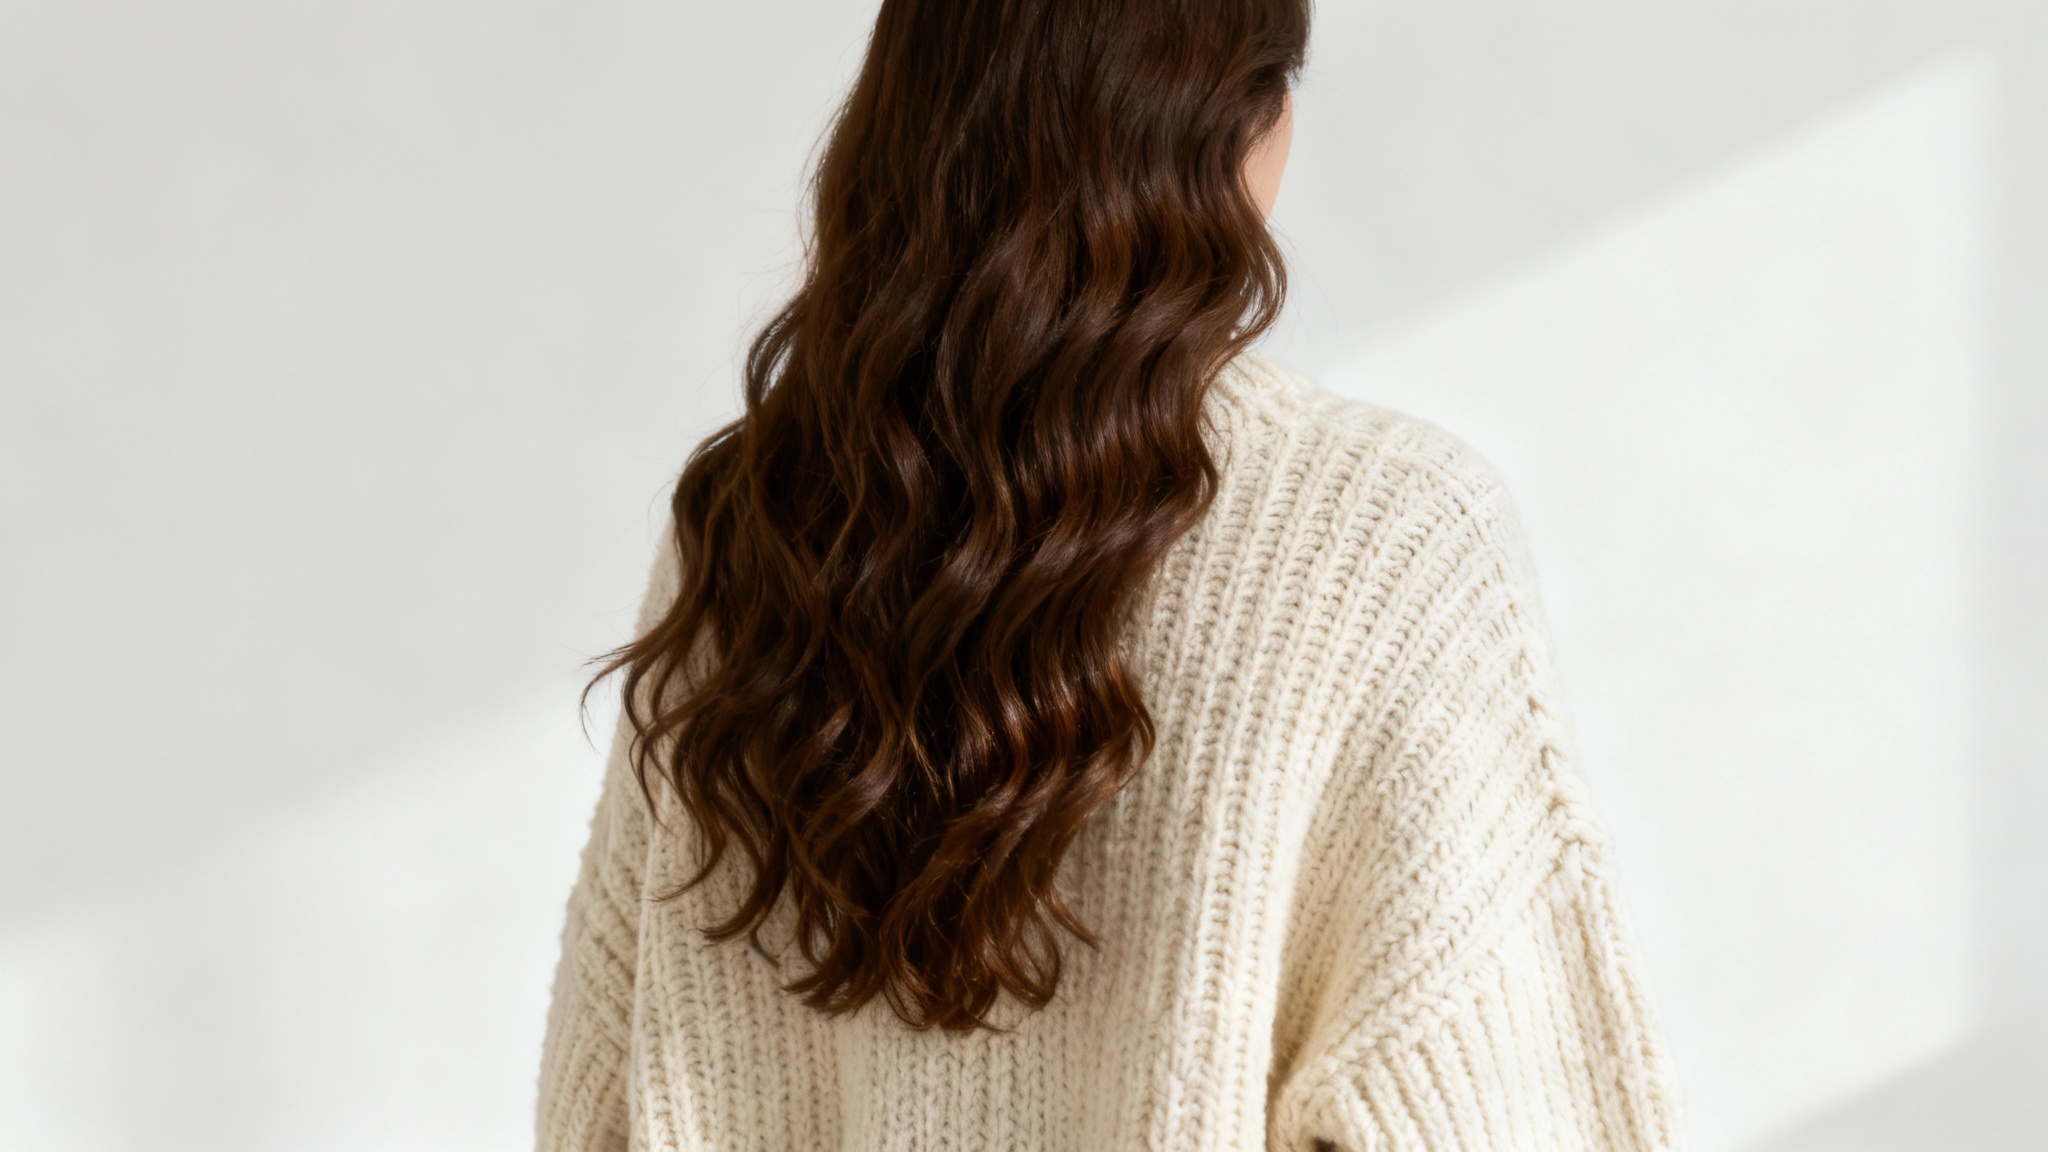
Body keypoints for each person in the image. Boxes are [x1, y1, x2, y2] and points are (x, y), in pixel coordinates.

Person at [537, 1, 1685, 1148]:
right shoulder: (1386, 532)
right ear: (1241, 120)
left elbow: (595, 1095)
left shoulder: (754, 522)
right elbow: (1505, 1107)